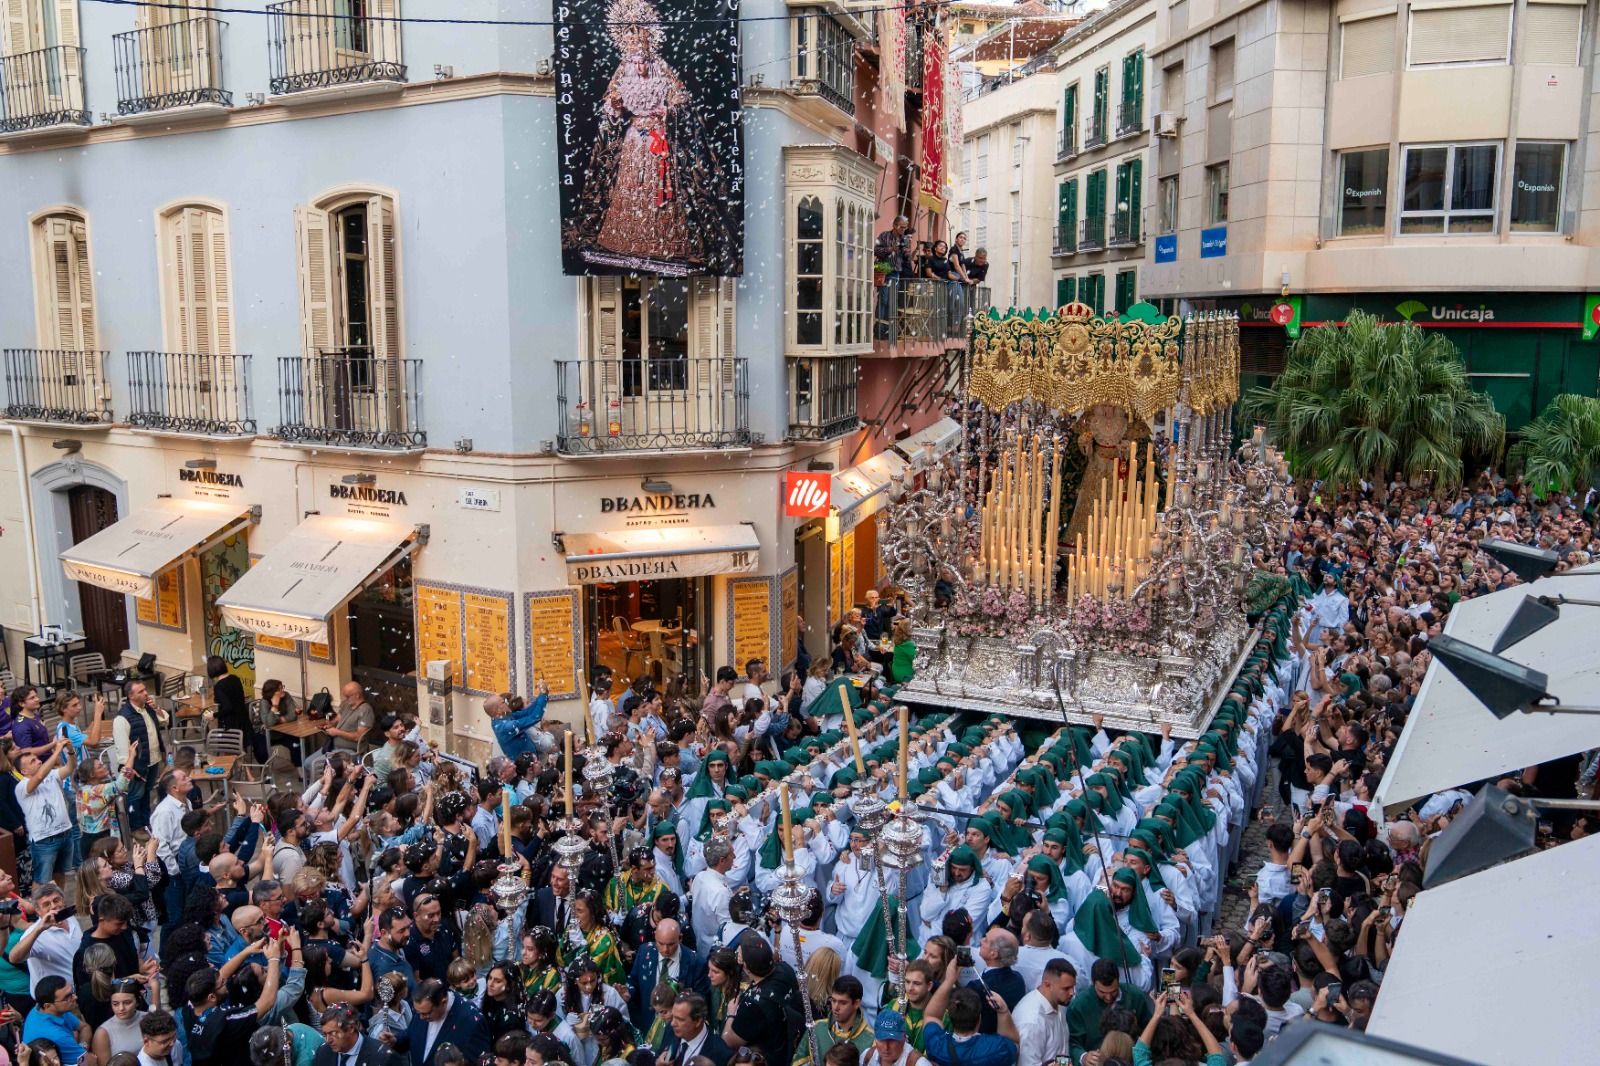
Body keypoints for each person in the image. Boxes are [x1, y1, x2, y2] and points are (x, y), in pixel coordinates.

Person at [629, 919, 709, 1033]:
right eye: (660, 943)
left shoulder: (696, 963)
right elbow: (634, 982)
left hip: (678, 1031)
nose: (665, 949)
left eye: (671, 944)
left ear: (680, 938)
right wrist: (628, 993)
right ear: (654, 936)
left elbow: (700, 1002)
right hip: (647, 1026)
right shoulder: (644, 952)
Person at [16, 737, 77, 885]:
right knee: (42, 880)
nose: (38, 761)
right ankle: (39, 908)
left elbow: (70, 768)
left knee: (60, 875)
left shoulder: (51, 774)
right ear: (24, 771)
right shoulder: (22, 786)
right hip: (45, 840)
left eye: (36, 758)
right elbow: (39, 776)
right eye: (32, 761)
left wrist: (70, 751)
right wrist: (56, 751)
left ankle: (59, 906)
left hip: (65, 833)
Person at [113, 681, 167, 831]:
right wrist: (129, 767)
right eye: (141, 691)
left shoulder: (148, 708)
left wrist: (156, 708)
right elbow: (122, 747)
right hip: (137, 765)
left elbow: (165, 719)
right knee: (135, 796)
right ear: (131, 696)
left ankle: (146, 823)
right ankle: (136, 828)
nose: (145, 693)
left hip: (153, 760)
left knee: (147, 793)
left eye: (145, 690)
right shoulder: (122, 718)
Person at [400, 978, 489, 1066]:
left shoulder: (471, 1021)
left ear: (443, 1002)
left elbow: (480, 1061)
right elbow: (413, 1032)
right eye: (418, 1012)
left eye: (427, 1013)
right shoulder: (423, 1009)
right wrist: (396, 1041)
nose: (421, 1017)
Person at [1012, 959, 1074, 1066]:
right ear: (1047, 985)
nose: (1072, 993)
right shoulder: (1032, 1021)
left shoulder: (1059, 1002)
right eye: (1066, 988)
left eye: (1073, 987)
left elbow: (1060, 1053)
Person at [24, 975, 93, 1065]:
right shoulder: (58, 1036)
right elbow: (88, 1061)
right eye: (68, 997)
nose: (75, 997)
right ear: (48, 1005)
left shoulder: (43, 1009)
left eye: (72, 991)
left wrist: (81, 1047)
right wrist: (82, 1051)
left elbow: (85, 1027)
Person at [660, 992, 731, 1066]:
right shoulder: (670, 1030)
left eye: (680, 1019)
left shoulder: (720, 1054)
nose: (673, 1023)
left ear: (698, 1021)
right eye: (673, 1017)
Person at [313, 1004, 394, 1066]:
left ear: (351, 1028)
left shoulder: (382, 1056)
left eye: (333, 1033)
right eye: (325, 1034)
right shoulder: (323, 1053)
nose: (328, 1040)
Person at [487, 684, 551, 760]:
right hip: (522, 768)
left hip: (530, 763)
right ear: (498, 710)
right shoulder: (506, 726)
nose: (507, 703)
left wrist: (543, 694)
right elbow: (535, 717)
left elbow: (527, 712)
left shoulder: (505, 717)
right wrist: (543, 695)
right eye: (503, 702)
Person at [323, 683, 374, 754]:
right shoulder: (346, 704)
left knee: (311, 763)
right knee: (308, 762)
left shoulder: (365, 710)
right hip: (332, 746)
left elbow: (359, 737)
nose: (346, 699)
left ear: (357, 695)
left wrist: (337, 732)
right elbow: (338, 719)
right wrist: (330, 724)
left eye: (347, 696)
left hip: (350, 750)